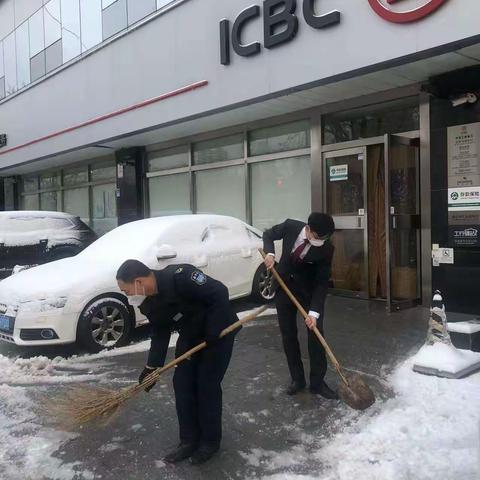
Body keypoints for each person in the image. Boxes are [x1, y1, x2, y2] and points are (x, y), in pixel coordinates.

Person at [116, 259, 240, 465]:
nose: (128, 297)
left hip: (218, 332)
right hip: (191, 335)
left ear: (138, 282)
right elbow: (160, 332)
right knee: (182, 385)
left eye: (127, 291)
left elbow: (219, 292)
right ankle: (188, 441)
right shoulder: (148, 301)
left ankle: (210, 442)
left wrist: (212, 330)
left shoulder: (181, 278)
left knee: (206, 387)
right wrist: (152, 367)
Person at [262, 213, 337, 398]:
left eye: (325, 238)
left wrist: (313, 313)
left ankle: (318, 383)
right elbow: (268, 235)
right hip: (284, 288)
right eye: (319, 237)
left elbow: (321, 283)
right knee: (288, 335)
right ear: (309, 230)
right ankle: (297, 379)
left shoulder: (326, 249)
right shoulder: (290, 226)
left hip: (309, 295)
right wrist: (270, 253)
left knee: (316, 336)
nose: (322, 241)